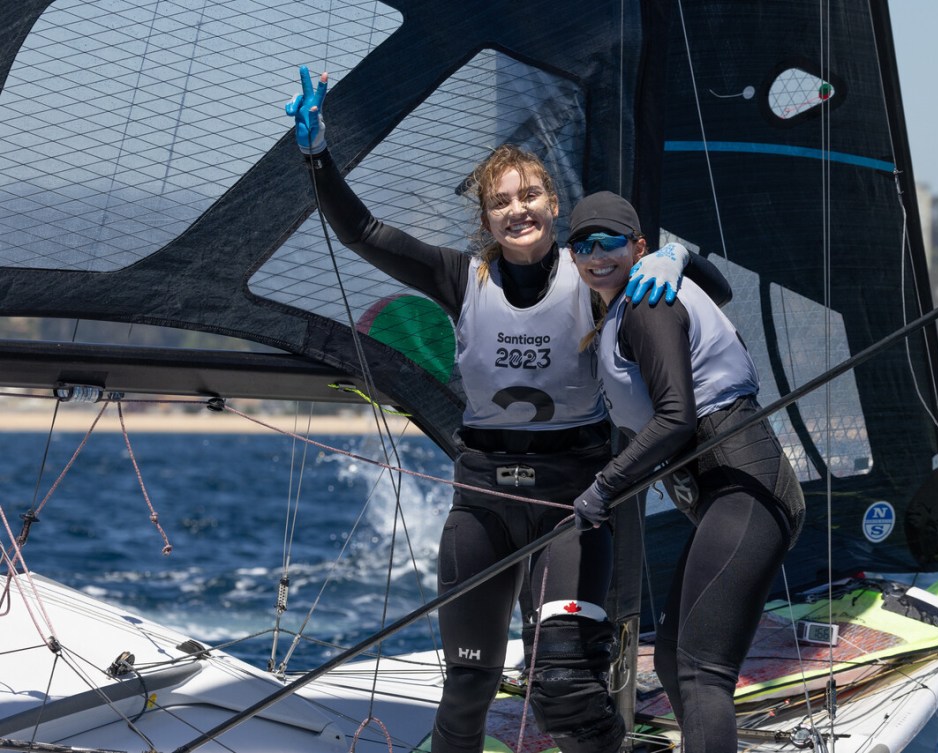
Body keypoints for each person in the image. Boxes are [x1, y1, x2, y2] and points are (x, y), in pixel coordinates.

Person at [284, 67, 730, 753]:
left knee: (565, 684)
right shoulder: (463, 278)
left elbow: (716, 290)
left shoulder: (594, 273)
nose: (517, 210)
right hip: (483, 504)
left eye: (529, 196)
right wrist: (318, 158)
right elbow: (365, 232)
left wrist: (676, 255)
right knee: (467, 685)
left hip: (572, 505)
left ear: (553, 205)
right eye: (501, 203)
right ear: (486, 218)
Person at [567, 191, 807, 753]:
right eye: (584, 245)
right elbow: (718, 290)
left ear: (638, 247)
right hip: (723, 495)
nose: (598, 255)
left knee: (702, 671)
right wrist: (683, 257)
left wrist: (603, 487)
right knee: (676, 659)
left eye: (612, 242)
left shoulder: (648, 303)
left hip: (742, 488)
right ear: (573, 256)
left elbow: (676, 420)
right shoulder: (638, 298)